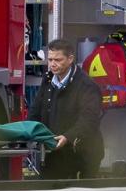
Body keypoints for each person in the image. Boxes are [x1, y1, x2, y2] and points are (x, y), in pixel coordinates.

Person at [28, 39, 104, 179]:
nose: (52, 64)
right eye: (50, 59)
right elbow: (36, 109)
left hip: (83, 155)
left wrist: (68, 137)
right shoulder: (48, 80)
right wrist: (28, 131)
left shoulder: (87, 86)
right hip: (55, 153)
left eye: (58, 60)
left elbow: (89, 119)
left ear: (70, 59)